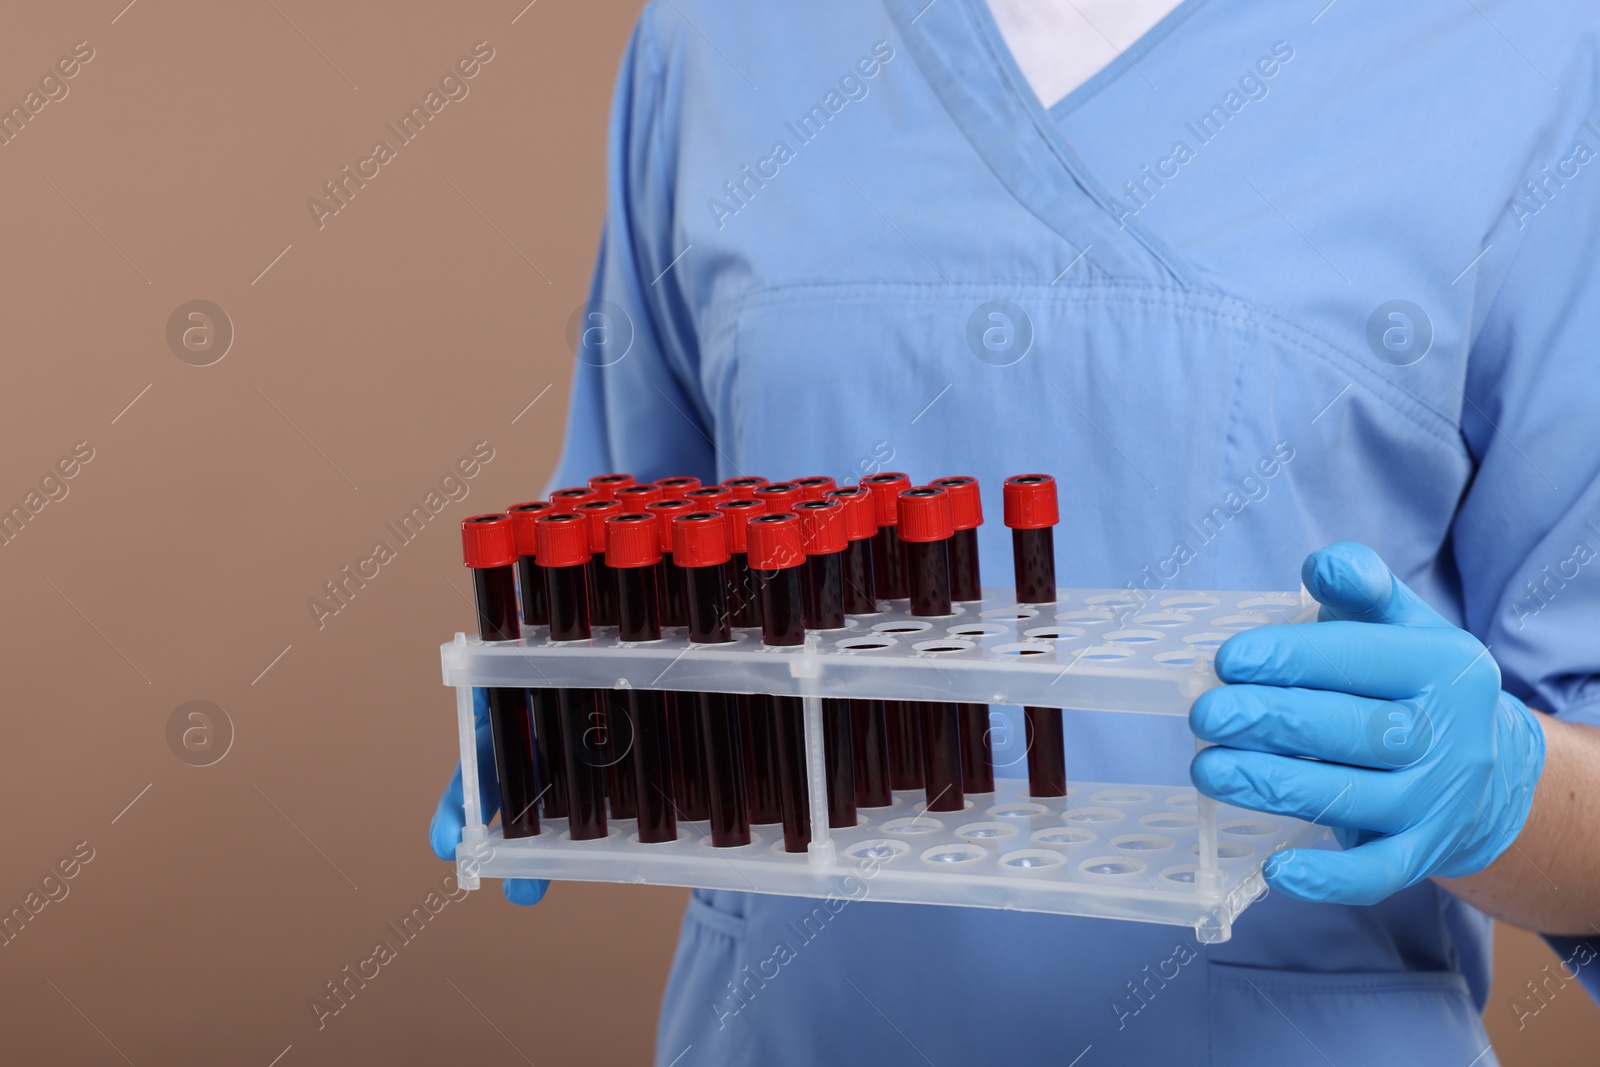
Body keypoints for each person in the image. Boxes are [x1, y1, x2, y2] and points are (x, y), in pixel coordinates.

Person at [433, 1, 1600, 1061]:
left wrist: (1497, 788)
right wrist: (576, 718)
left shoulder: (1528, 52)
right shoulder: (722, 37)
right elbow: (639, 543)